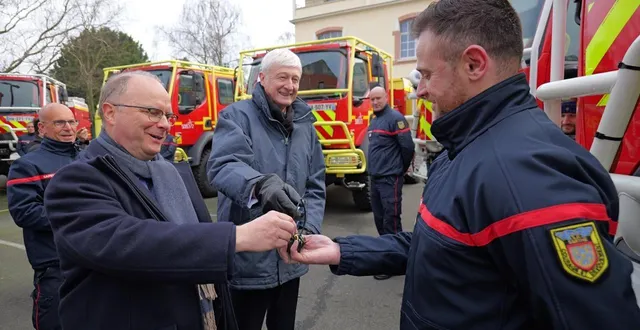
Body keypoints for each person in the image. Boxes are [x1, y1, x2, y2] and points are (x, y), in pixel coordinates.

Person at [283, 1, 640, 329]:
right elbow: (434, 248)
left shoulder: (522, 174)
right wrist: (343, 250)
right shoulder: (466, 148)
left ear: (474, 64)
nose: (419, 90)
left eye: (426, 73)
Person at [42, 70, 299, 330]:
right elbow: (129, 243)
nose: (165, 124)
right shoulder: (74, 180)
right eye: (152, 112)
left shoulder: (170, 172)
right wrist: (237, 237)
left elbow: (196, 243)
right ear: (110, 113)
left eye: (168, 115)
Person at [207, 48, 326, 330]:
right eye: (282, 77)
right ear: (261, 78)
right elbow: (223, 165)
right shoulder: (236, 117)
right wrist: (259, 184)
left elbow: (315, 183)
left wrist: (308, 228)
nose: (290, 85)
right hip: (248, 260)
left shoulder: (305, 125)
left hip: (290, 257)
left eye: (296, 79)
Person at [7, 103, 83, 330]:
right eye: (60, 122)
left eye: (71, 122)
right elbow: (25, 213)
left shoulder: (87, 158)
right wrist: (79, 218)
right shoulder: (27, 165)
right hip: (55, 267)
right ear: (42, 129)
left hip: (93, 259)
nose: (68, 128)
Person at [366, 86, 414, 280]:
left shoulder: (396, 119)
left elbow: (407, 147)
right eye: (372, 99)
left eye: (378, 98)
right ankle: (388, 255)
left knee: (391, 219)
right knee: (379, 218)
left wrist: (399, 170)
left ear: (386, 97)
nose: (375, 102)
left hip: (390, 178)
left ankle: (396, 262)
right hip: (375, 177)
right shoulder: (374, 120)